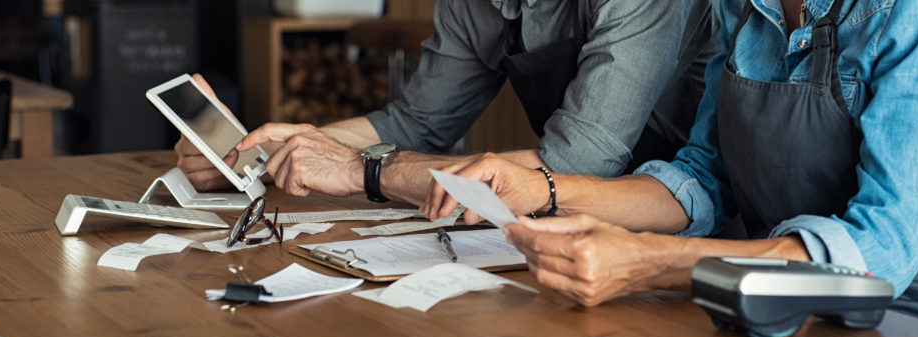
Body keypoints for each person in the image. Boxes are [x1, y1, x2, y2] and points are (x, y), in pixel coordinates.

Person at [423, 0, 918, 337]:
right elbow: (703, 177)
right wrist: (543, 188)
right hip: (773, 315)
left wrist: (656, 264)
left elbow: (886, 250)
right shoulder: (744, 7)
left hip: (914, 326)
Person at [175, 0, 718, 204]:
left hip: (690, 217)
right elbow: (415, 122)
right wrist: (267, 156)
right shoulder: (471, 3)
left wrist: (362, 170)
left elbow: (576, 165)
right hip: (562, 218)